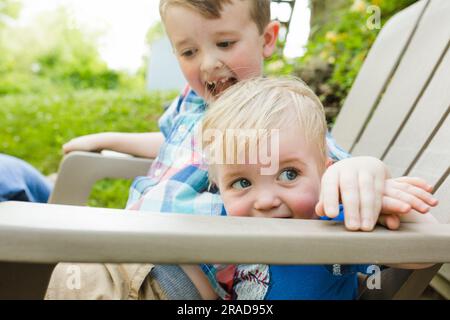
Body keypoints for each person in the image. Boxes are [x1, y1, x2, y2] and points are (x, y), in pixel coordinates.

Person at [46, 0, 436, 300]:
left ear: (267, 39)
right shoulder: (195, 110)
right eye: (188, 52)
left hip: (167, 265)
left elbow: (416, 240)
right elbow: (171, 145)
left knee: (79, 268)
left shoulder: (288, 131)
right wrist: (107, 139)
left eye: (225, 43)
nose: (209, 63)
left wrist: (364, 171)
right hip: (156, 248)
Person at [200, 76, 438, 299]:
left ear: (324, 176)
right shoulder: (228, 225)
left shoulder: (331, 229)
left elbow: (430, 248)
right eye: (242, 182)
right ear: (219, 189)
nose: (265, 201)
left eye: (288, 174)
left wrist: (373, 182)